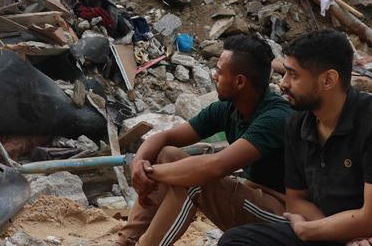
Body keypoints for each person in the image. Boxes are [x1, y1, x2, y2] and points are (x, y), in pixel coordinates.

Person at [220, 30, 372, 246]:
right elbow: (296, 201)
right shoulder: (297, 123)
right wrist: (334, 232)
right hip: (332, 228)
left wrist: (309, 231)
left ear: (328, 80)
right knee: (236, 241)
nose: (283, 83)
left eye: (293, 75)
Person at [117, 35, 293, 246]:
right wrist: (140, 162)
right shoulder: (230, 107)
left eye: (219, 71)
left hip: (281, 215)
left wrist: (151, 174)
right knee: (166, 154)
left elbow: (215, 167)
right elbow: (166, 137)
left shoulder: (275, 117)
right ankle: (124, 242)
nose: (214, 76)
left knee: (194, 182)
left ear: (239, 81)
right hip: (251, 197)